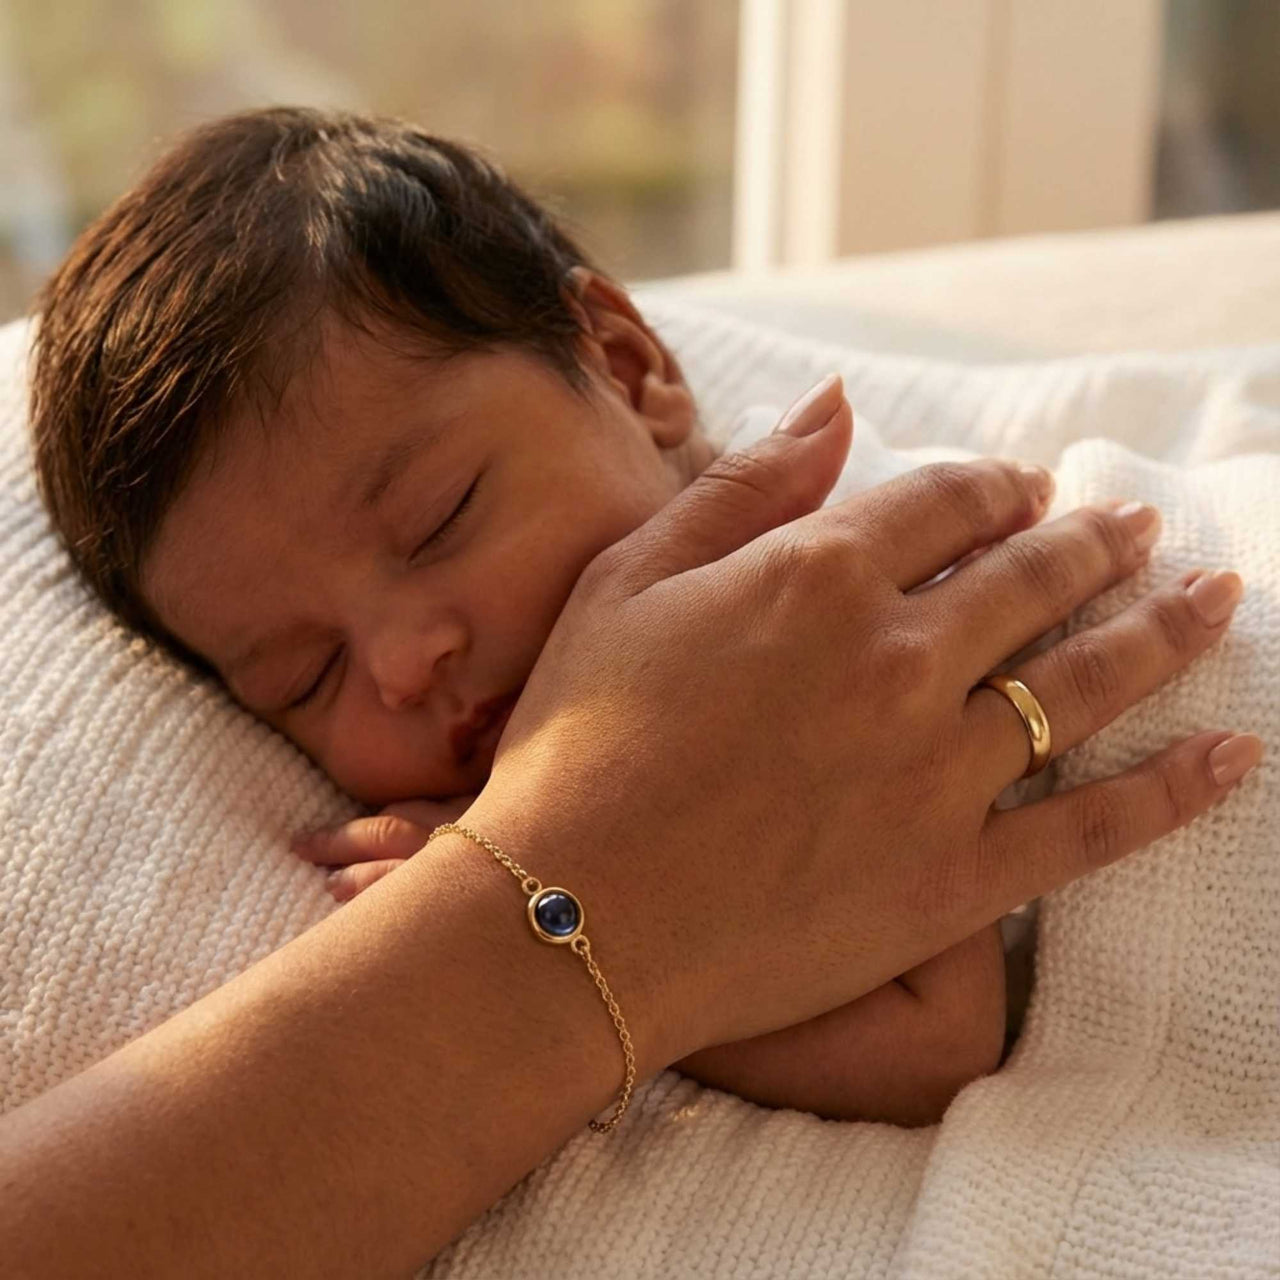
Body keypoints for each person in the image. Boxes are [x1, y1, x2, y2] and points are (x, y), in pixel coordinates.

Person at [5, 109, 1260, 1273]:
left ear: (624, 360)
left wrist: (511, 890)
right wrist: (521, 878)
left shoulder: (814, 581)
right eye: (307, 674)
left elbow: (935, 1031)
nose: (399, 662)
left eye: (439, 518)